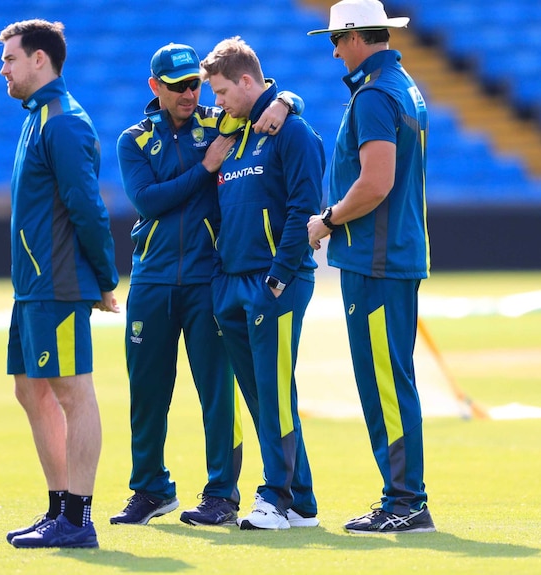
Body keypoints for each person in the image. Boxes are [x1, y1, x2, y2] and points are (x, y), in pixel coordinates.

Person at [111, 43, 303, 527]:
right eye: (178, 87)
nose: (190, 94)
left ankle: (221, 493)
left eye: (194, 84)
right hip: (152, 278)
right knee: (147, 392)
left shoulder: (221, 122)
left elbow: (265, 103)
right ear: (156, 87)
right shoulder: (133, 140)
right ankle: (150, 488)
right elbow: (149, 201)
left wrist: (289, 100)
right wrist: (204, 169)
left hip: (205, 280)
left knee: (218, 392)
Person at [306, 0, 436, 534]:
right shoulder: (401, 85)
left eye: (338, 39)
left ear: (359, 36)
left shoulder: (375, 96)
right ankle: (403, 497)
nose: (334, 50)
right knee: (392, 377)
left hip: (376, 259)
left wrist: (328, 220)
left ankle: (405, 500)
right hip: (394, 254)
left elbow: (376, 182)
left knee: (384, 380)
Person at [0, 19, 119, 548]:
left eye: (9, 59)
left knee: (73, 391)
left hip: (59, 282)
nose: (3, 68)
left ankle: (78, 517)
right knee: (31, 390)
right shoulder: (37, 117)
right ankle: (57, 509)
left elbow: (88, 207)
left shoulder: (64, 122)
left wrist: (105, 276)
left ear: (40, 59)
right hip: (32, 285)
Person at [200, 36, 325, 530]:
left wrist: (279, 276)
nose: (217, 102)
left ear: (248, 81)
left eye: (223, 91)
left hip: (274, 281)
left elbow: (303, 210)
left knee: (274, 394)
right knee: (261, 398)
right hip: (229, 281)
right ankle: (301, 501)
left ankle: (273, 497)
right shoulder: (234, 130)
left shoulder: (292, 133)